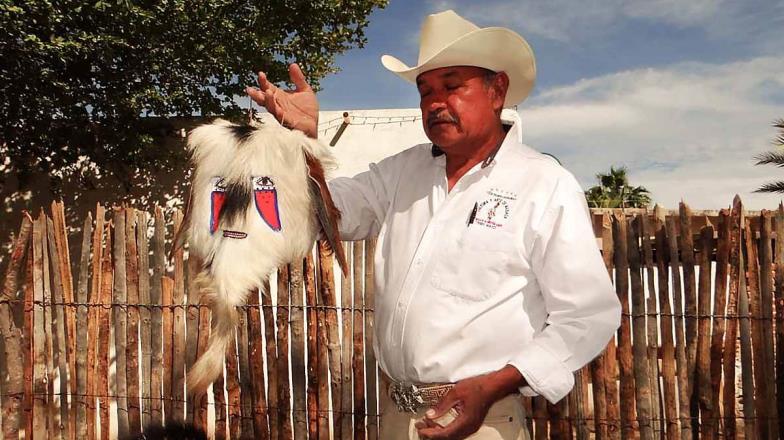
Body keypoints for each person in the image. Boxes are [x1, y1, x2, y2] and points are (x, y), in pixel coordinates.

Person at [247, 9, 621, 440]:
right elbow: (335, 216)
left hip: (484, 422)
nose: (435, 103)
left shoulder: (544, 184)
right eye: (425, 91)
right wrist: (306, 141)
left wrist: (492, 386)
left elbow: (588, 316)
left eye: (452, 86)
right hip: (394, 417)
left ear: (497, 89)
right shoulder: (402, 171)